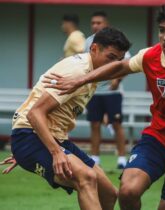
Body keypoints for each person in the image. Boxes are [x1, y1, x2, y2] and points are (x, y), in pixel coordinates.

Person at [42, 5, 165, 210]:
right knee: (127, 191)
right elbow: (120, 66)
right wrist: (80, 80)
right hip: (158, 141)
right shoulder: (150, 55)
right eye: (162, 30)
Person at [1, 27, 131, 210]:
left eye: (118, 60)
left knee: (108, 193)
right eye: (110, 57)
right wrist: (46, 151)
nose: (113, 65)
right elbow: (34, 113)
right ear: (94, 49)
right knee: (86, 178)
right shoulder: (78, 71)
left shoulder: (92, 72)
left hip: (51, 138)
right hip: (30, 135)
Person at [85, 11, 130, 168]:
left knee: (116, 124)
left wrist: (117, 79)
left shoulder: (115, 40)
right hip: (94, 92)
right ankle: (95, 158)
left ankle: (122, 159)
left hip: (112, 93)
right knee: (95, 124)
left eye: (99, 22)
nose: (95, 25)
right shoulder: (88, 42)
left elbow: (127, 63)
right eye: (93, 23)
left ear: (106, 24)